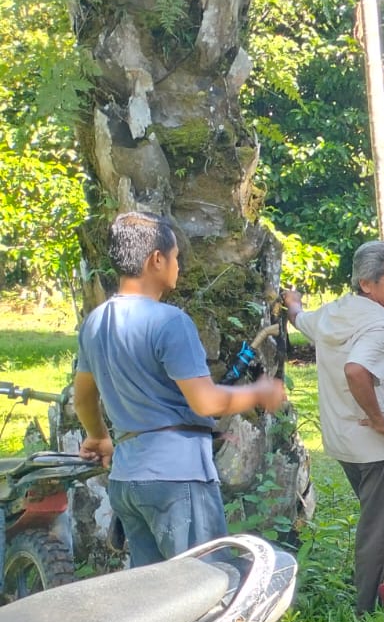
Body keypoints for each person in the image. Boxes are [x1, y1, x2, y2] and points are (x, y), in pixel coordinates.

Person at [74, 211, 286, 566]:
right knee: (204, 588)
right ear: (156, 259)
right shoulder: (171, 322)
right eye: (175, 257)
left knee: (156, 600)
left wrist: (98, 436)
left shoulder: (94, 323)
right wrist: (259, 392)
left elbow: (83, 399)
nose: (178, 266)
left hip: (127, 481)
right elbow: (206, 401)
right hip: (177, 479)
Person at [284, 242, 384, 615]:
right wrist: (378, 421)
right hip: (378, 443)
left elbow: (300, 318)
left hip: (343, 440)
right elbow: (356, 371)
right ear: (366, 283)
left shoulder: (335, 313)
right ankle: (368, 611)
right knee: (378, 527)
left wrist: (290, 300)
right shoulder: (377, 325)